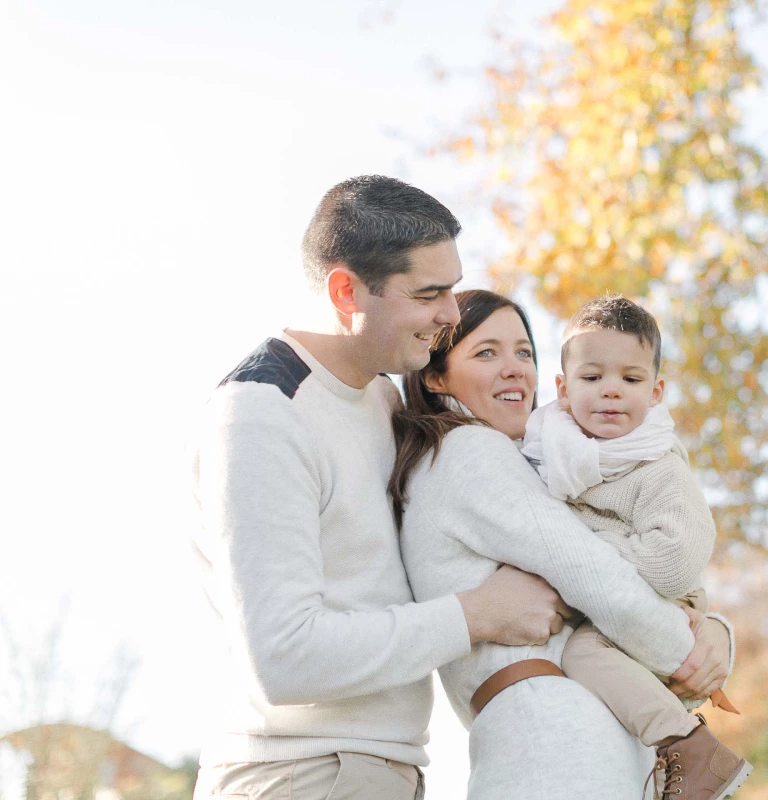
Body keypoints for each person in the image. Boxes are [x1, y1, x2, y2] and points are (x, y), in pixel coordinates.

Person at [190, 176, 576, 800]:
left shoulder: (380, 395)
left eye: (451, 289)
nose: (450, 315)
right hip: (304, 775)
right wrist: (478, 614)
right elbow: (285, 658)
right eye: (429, 293)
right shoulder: (262, 415)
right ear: (346, 290)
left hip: (377, 770)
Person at [392, 289, 739, 799]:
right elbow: (596, 575)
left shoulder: (540, 460)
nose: (514, 369)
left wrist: (716, 630)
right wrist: (695, 655)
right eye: (486, 352)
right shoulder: (468, 451)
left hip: (577, 731)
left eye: (524, 352)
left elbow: (631, 561)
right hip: (553, 734)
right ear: (436, 375)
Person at [521, 295, 752, 799]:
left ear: (655, 391)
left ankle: (690, 747)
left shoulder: (657, 462)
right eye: (591, 377)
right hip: (612, 598)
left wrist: (586, 553)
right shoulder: (551, 451)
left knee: (584, 653)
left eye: (630, 379)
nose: (610, 392)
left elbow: (674, 559)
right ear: (562, 388)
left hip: (669, 596)